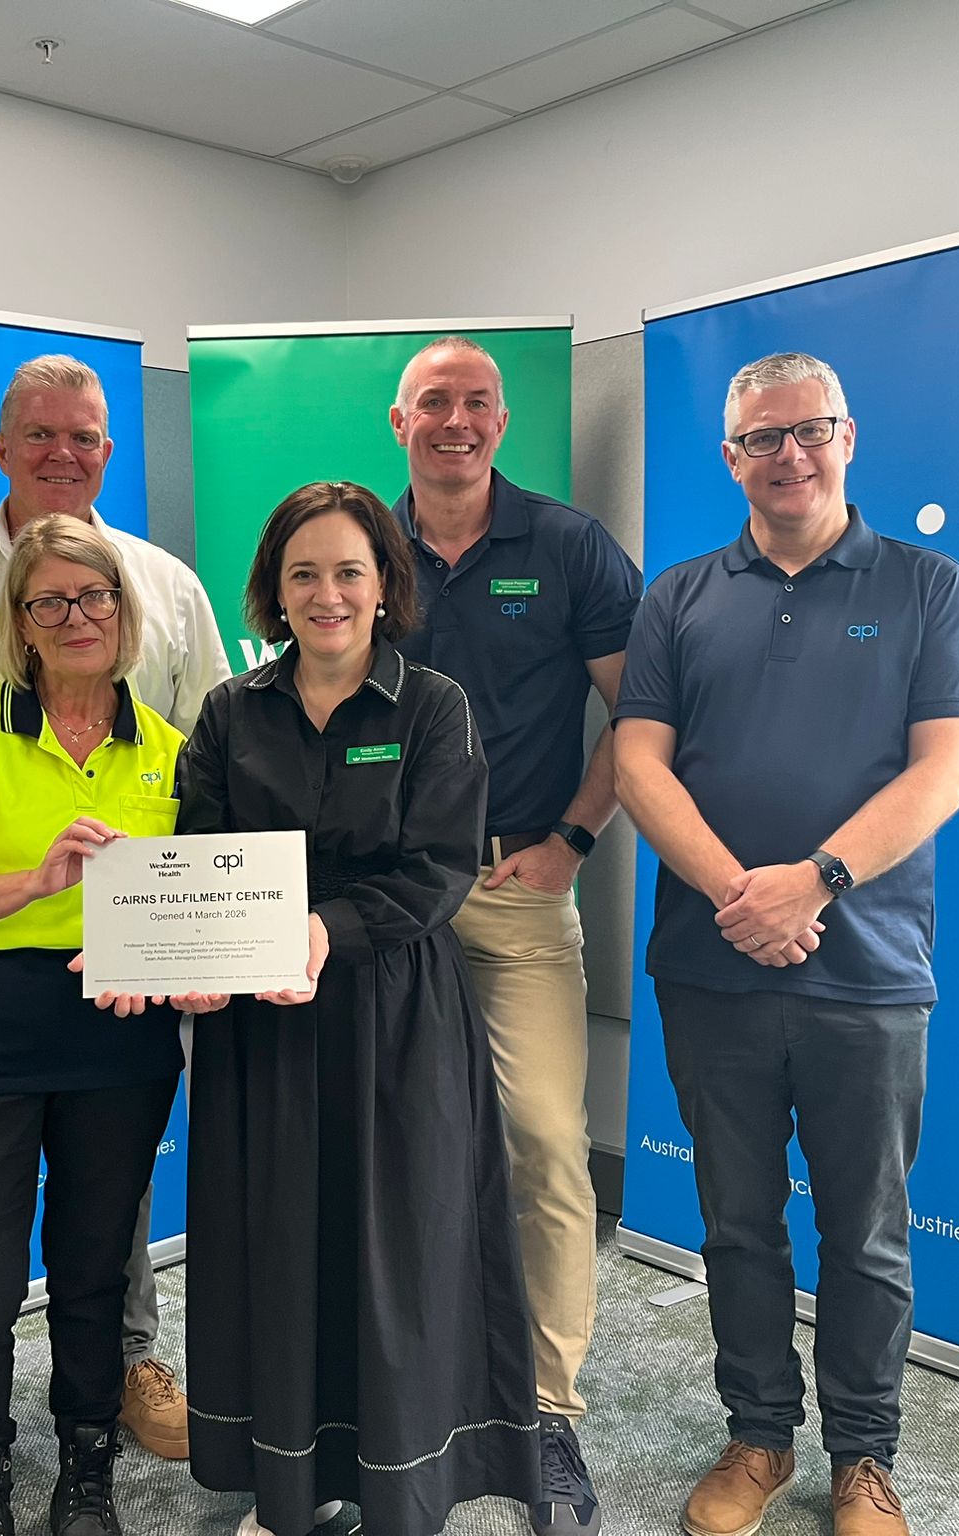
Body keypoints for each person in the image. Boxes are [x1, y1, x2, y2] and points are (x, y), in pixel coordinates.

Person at [611, 353, 959, 1536]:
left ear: (847, 434)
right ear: (729, 459)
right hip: (711, 962)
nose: (787, 454)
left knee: (865, 1231)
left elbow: (945, 766)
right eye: (760, 439)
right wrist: (742, 894)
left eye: (808, 430)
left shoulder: (930, 587)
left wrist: (815, 881)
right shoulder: (676, 596)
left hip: (868, 972)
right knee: (732, 1220)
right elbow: (634, 762)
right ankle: (757, 1435)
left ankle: (863, 1460)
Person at [0, 354, 226, 1491]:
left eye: (83, 437)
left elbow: (216, 776)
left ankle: (118, 1374)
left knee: (99, 1234)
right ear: (1, 446)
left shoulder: (171, 587)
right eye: (39, 435)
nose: (62, 455)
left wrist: (205, 939)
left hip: (121, 985)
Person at [174, 481, 540, 1536]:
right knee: (279, 1245)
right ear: (271, 595)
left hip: (394, 1016)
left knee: (397, 1255)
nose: (326, 593)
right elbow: (200, 856)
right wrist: (193, 954)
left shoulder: (432, 707)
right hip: (265, 1022)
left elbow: (435, 872)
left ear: (384, 587)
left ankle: (400, 1489)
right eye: (303, 574)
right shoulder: (228, 712)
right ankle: (289, 1490)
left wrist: (325, 931)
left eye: (348, 571)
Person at [389, 336, 640, 1536]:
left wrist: (575, 840)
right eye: (433, 401)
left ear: (501, 421)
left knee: (544, 1141)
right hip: (383, 904)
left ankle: (545, 1412)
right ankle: (393, 1397)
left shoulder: (568, 545)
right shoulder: (362, 548)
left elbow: (638, 713)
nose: (456, 420)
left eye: (475, 402)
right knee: (387, 1154)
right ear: (399, 423)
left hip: (515, 892)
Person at [0, 514, 187, 1536]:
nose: (76, 617)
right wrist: (37, 879)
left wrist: (183, 973)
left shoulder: (167, 752)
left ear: (124, 611)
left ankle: (86, 1468)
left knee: (91, 1268)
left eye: (95, 596)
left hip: (116, 1035)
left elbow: (188, 908)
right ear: (21, 624)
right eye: (50, 601)